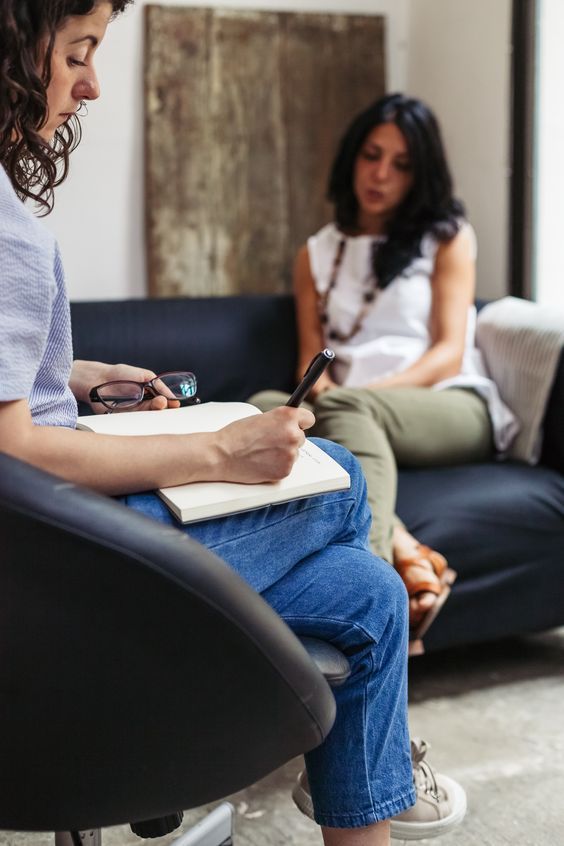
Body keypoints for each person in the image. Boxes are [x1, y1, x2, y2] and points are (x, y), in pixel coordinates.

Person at [0, 5, 467, 843]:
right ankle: (160, 739)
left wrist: (71, 374)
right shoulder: (8, 231)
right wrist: (218, 450)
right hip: (52, 565)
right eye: (77, 53)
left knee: (373, 593)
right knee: (342, 479)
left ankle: (345, 789)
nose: (92, 83)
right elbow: (10, 446)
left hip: (47, 543)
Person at [251, 94, 518, 643]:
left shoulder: (446, 238)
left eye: (400, 165)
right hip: (354, 408)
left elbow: (449, 348)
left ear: (420, 175)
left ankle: (367, 592)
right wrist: (322, 393)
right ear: (352, 157)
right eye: (371, 155)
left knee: (343, 407)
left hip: (449, 403)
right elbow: (313, 351)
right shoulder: (318, 252)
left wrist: (359, 395)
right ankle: (404, 546)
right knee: (260, 409)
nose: (379, 175)